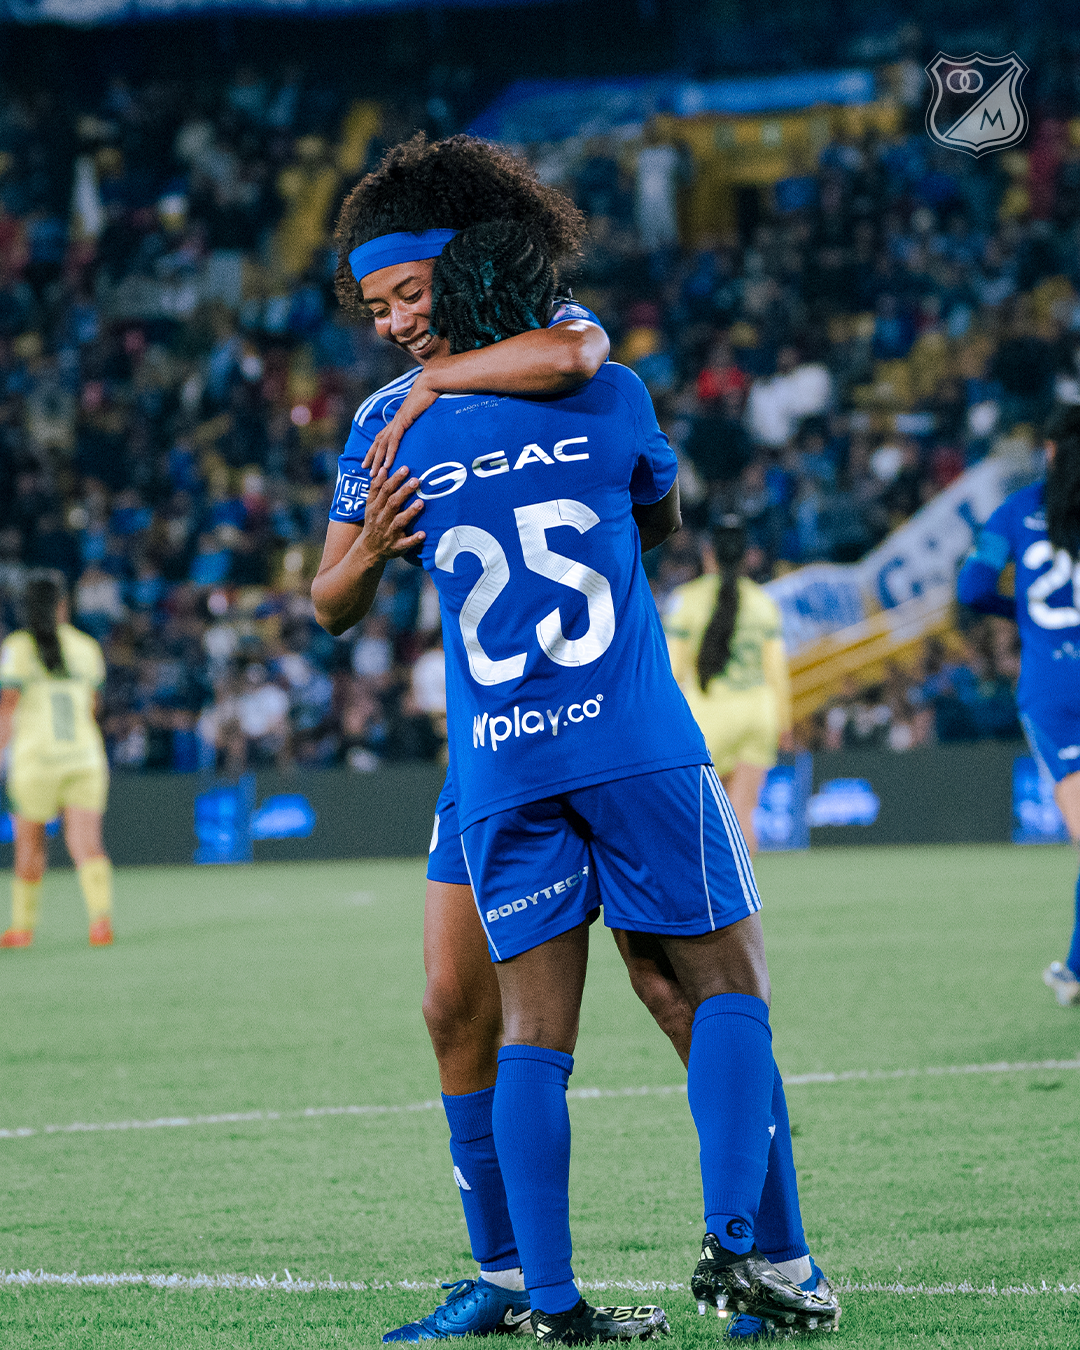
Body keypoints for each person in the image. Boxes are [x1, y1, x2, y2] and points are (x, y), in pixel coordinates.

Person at [318, 217, 839, 1343]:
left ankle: (720, 1263)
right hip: (600, 737)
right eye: (377, 308)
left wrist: (444, 413)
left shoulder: (511, 375)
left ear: (458, 275)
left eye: (411, 296)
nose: (396, 324)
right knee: (522, 1002)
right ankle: (681, 1263)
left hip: (506, 748)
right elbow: (652, 514)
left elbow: (567, 350)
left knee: (583, 1016)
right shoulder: (592, 392)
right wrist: (372, 546)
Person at [958, 405, 1080, 1007]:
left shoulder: (1015, 509)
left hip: (1053, 690)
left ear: (1050, 450)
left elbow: (972, 587)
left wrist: (1024, 614)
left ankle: (1076, 972)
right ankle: (1075, 970)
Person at [663, 515, 793, 854]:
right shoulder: (764, 604)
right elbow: (776, 672)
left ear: (709, 554)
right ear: (746, 555)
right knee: (744, 813)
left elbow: (671, 670)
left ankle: (710, 888)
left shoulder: (687, 600)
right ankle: (747, 889)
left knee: (704, 819)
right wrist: (785, 721)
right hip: (757, 715)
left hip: (708, 718)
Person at [0, 571, 115, 950]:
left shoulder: (18, 647)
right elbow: (93, 707)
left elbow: (7, 708)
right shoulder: (86, 647)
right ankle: (100, 922)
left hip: (35, 762)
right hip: (84, 758)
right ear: (63, 605)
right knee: (87, 843)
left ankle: (21, 928)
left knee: (29, 846)